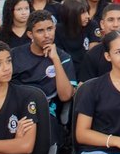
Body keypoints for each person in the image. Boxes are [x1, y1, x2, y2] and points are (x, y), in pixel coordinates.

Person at [11, 10, 76, 141]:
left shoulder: (63, 57)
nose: (47, 35)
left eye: (50, 29)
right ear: (30, 34)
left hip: (46, 113)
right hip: (17, 109)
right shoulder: (14, 55)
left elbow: (65, 96)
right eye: (40, 31)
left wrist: (55, 59)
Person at [56, 0, 101, 75]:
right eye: (83, 13)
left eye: (87, 12)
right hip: (66, 68)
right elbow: (60, 56)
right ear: (71, 15)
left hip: (87, 68)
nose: (88, 16)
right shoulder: (58, 30)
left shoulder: (92, 25)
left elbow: (93, 52)